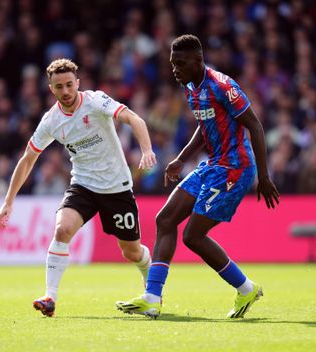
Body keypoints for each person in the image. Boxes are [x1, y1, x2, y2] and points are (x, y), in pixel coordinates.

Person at [116, 35, 279, 319]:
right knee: (164, 220)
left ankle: (245, 288)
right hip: (212, 165)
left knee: (193, 235)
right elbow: (205, 127)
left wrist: (263, 176)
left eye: (180, 64)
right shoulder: (192, 87)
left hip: (235, 168)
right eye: (172, 64)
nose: (175, 70)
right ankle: (152, 297)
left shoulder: (223, 86)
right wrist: (181, 158)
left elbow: (255, 126)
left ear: (198, 61)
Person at [0, 58, 156, 317]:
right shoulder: (51, 121)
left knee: (131, 251)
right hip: (83, 185)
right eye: (59, 87)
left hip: (117, 186)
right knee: (62, 229)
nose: (66, 91)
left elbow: (133, 118)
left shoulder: (95, 102)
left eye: (70, 84)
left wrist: (146, 150)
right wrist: (8, 201)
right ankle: (50, 296)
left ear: (78, 83)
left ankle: (153, 288)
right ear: (51, 89)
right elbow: (27, 160)